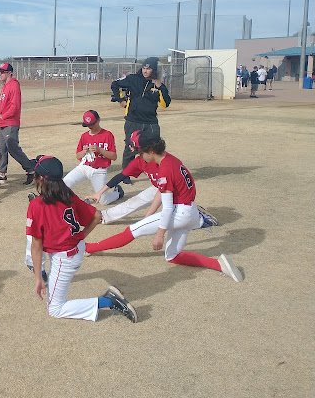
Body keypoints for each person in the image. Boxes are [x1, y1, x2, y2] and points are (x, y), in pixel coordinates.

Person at [83, 136, 244, 283]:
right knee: (173, 256)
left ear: (151, 151)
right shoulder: (171, 160)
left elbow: (167, 208)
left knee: (132, 231)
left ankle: (89, 248)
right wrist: (148, 216)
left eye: (142, 153)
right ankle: (218, 264)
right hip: (190, 211)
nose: (140, 156)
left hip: (179, 213)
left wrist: (159, 235)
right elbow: (163, 193)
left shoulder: (165, 169)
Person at [25, 155, 137, 323]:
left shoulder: (37, 205)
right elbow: (97, 215)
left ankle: (109, 301)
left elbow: (36, 245)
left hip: (65, 257)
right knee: (56, 298)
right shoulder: (67, 194)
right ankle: (108, 299)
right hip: (75, 248)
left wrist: (37, 278)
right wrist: (81, 236)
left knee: (55, 309)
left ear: (40, 178)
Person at [86, 129, 218, 227]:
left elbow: (164, 192)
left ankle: (200, 219)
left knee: (172, 222)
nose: (137, 154)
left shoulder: (164, 164)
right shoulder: (141, 160)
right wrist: (99, 193)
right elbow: (121, 176)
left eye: (139, 151)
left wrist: (147, 216)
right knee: (136, 200)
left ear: (150, 150)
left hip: (176, 194)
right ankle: (105, 216)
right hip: (161, 188)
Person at [110, 56, 171, 170]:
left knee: (153, 149)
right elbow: (115, 85)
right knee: (130, 148)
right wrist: (121, 100)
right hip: (133, 120)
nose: (145, 71)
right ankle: (127, 174)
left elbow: (165, 103)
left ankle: (155, 172)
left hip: (150, 122)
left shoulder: (157, 84)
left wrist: (160, 86)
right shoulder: (133, 79)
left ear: (154, 70)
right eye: (144, 68)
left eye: (149, 69)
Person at [61, 110, 123, 205]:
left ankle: (117, 192)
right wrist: (84, 151)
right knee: (64, 183)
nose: (90, 127)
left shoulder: (107, 135)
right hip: (84, 167)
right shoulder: (84, 136)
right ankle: (57, 202)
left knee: (103, 201)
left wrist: (100, 150)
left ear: (98, 120)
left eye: (92, 124)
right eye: (88, 125)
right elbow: (78, 156)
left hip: (99, 171)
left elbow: (114, 156)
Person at [0, 62, 34, 185]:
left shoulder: (14, 85)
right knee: (1, 149)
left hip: (10, 123)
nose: (0, 74)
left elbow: (15, 107)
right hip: (2, 123)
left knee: (13, 149)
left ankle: (31, 171)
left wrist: (3, 116)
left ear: (9, 73)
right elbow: (3, 105)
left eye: (2, 72)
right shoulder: (5, 86)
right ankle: (1, 174)